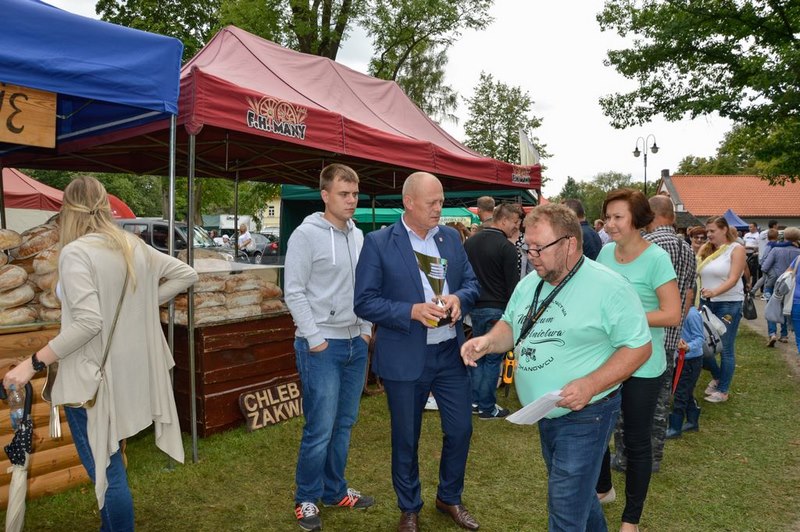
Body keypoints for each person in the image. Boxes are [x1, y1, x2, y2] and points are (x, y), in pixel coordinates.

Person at [3, 176, 198, 531]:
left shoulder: (76, 252)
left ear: (67, 211)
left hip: (90, 379)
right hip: (122, 373)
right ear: (105, 205)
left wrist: (32, 364)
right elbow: (185, 273)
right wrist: (142, 306)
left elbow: (88, 323)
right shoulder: (132, 244)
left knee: (108, 472)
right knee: (110, 465)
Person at [460, 203, 652, 532]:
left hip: (588, 412)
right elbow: (512, 325)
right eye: (527, 246)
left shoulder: (609, 286)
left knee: (565, 504)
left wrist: (591, 384)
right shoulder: (530, 283)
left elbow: (639, 347)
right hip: (546, 411)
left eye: (539, 248)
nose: (531, 255)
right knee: (578, 495)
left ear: (569, 244)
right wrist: (488, 342)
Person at [354, 172, 481, 532]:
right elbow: (364, 301)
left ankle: (449, 497)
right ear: (409, 202)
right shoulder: (379, 242)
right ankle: (409, 507)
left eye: (441, 201)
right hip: (405, 356)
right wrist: (410, 311)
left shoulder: (450, 238)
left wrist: (458, 298)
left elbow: (472, 284)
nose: (439, 208)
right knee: (406, 438)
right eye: (432, 202)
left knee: (461, 430)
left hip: (449, 353)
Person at [284, 163, 375, 532]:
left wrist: (365, 330)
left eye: (354, 194)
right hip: (321, 345)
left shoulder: (359, 236)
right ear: (325, 195)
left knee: (344, 423)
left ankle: (335, 490)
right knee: (320, 427)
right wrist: (315, 338)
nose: (351, 200)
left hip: (356, 344)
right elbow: (293, 291)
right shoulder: (306, 235)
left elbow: (367, 288)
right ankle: (306, 497)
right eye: (343, 194)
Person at [595, 188, 680, 532]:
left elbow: (672, 314)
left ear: (637, 220)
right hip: (605, 359)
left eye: (618, 217)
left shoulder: (657, 258)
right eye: (608, 217)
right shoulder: (604, 253)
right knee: (597, 428)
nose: (610, 224)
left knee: (635, 440)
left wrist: (626, 318)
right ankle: (604, 489)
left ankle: (631, 519)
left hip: (644, 364)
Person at [644, 195, 697, 471]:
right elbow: (688, 294)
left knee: (636, 401)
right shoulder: (686, 247)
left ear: (649, 215)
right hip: (672, 333)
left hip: (647, 332)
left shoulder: (647, 245)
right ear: (672, 217)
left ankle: (630, 456)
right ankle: (653, 456)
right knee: (661, 400)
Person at [463, 203, 521, 419]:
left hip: (475, 307)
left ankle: (475, 401)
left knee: (478, 355)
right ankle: (487, 407)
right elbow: (513, 286)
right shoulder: (507, 247)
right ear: (503, 220)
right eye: (515, 222)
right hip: (497, 309)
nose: (516, 227)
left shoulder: (471, 242)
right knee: (492, 358)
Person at [697, 216, 747, 403]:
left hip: (728, 303)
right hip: (706, 303)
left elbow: (734, 278)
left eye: (712, 231)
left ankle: (723, 390)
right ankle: (718, 377)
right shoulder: (706, 250)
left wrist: (714, 292)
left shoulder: (736, 249)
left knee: (725, 347)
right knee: (703, 345)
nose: (708, 234)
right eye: (707, 231)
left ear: (724, 229)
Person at [666, 306, 705, 439]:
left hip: (690, 361)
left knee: (681, 393)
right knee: (685, 391)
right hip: (679, 359)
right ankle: (692, 421)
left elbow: (700, 338)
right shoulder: (676, 311)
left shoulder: (692, 314)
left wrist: (688, 347)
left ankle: (675, 427)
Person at [760, 227, 800, 347]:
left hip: (775, 283)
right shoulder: (798, 252)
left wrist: (774, 273)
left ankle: (772, 333)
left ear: (783, 236)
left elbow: (764, 267)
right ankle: (784, 334)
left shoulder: (776, 249)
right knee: (785, 308)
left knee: (772, 306)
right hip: (791, 286)